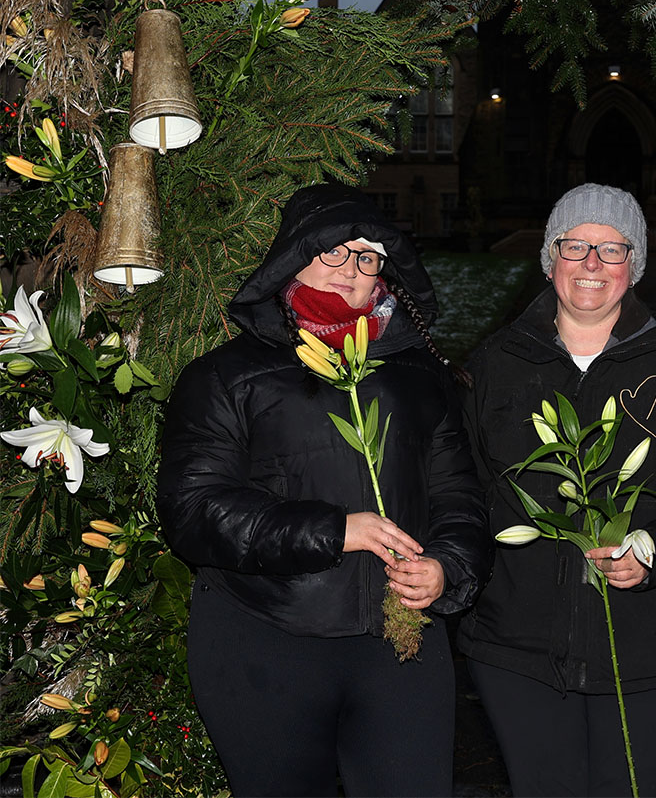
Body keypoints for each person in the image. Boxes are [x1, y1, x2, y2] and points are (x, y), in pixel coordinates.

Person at [157, 184, 491, 797]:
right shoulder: (226, 377)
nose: (351, 270)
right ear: (294, 258)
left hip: (398, 645)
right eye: (332, 253)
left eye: (366, 257)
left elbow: (459, 494)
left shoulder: (419, 376)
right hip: (266, 640)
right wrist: (336, 530)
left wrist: (447, 567)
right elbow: (193, 509)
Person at [458, 183, 656, 796]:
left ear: (634, 265)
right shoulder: (497, 364)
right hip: (519, 652)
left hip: (648, 652)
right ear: (549, 257)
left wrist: (655, 549)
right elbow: (463, 490)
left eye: (612, 249)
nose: (591, 264)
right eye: (575, 246)